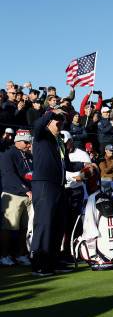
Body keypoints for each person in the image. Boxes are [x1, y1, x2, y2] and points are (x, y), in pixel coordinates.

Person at [30, 109, 70, 276]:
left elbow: (64, 164)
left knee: (58, 224)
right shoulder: (42, 135)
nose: (59, 122)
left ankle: (53, 261)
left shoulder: (58, 141)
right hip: (45, 184)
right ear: (48, 121)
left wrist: (84, 168)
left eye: (61, 120)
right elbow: (37, 125)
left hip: (58, 185)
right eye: (56, 120)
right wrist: (51, 112)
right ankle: (39, 264)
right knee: (44, 224)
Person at [0, 130, 33, 266]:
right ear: (18, 142)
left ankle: (21, 254)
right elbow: (9, 176)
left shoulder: (28, 155)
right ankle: (4, 255)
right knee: (8, 227)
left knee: (25, 228)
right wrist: (25, 190)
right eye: (26, 142)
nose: (28, 144)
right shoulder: (8, 154)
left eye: (29, 142)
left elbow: (31, 173)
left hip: (27, 194)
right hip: (13, 194)